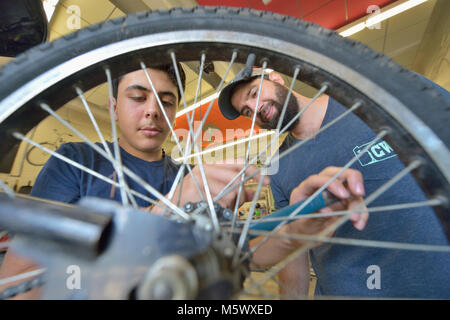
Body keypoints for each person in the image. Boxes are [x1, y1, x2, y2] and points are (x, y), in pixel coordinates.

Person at [0, 63, 366, 299]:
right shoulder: (75, 161)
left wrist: (306, 222)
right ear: (113, 108)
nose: (152, 111)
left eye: (166, 101)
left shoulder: (189, 178)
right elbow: (18, 286)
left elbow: (251, 254)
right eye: (137, 97)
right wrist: (171, 205)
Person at [218, 66, 450, 298]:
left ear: (277, 78)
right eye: (247, 112)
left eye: (254, 93)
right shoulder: (278, 167)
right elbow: (295, 250)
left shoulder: (370, 100)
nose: (256, 109)